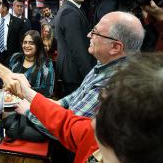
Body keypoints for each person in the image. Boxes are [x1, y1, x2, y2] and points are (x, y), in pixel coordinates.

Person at [13, 52, 163, 163]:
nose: (91, 121)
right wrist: (28, 93)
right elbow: (66, 122)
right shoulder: (96, 137)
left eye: (103, 113)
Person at [21, 11, 144, 140]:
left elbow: (69, 129)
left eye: (95, 32)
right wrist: (56, 104)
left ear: (115, 47)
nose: (88, 35)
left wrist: (28, 111)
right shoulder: (105, 63)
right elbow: (78, 94)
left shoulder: (113, 84)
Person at [54, 0, 96, 96]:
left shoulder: (74, 9)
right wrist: (90, 77)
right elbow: (78, 49)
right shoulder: (69, 12)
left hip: (74, 74)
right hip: (75, 75)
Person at [9, 30, 54, 97]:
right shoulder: (15, 58)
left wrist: (21, 89)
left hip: (33, 104)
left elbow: (47, 91)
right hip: (12, 101)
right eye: (25, 42)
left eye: (31, 43)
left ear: (38, 46)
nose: (27, 46)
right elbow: (8, 79)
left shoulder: (46, 64)